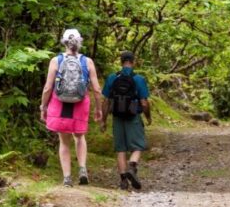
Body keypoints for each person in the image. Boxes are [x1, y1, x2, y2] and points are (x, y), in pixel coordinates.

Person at [40, 29, 103, 187]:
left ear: (64, 42)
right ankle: (82, 169)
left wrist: (43, 107)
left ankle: (67, 178)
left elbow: (48, 88)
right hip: (80, 104)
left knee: (64, 141)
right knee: (80, 137)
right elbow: (96, 89)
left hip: (60, 104)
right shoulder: (87, 62)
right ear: (79, 42)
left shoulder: (56, 60)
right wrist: (99, 108)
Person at [100, 51, 151, 190]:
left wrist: (103, 120)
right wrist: (148, 117)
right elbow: (144, 103)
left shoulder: (112, 78)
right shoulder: (138, 79)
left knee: (120, 149)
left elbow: (106, 102)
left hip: (117, 116)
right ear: (133, 62)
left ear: (121, 62)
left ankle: (123, 181)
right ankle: (132, 166)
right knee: (138, 145)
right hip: (133, 116)